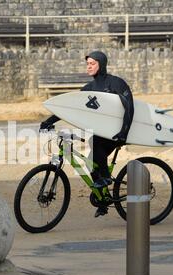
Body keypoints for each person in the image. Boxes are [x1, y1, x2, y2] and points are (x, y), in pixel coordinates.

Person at [40, 51, 134, 218]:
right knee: (91, 162)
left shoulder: (115, 83)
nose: (89, 66)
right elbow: (71, 107)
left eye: (92, 63)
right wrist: (49, 121)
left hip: (117, 132)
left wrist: (124, 132)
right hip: (101, 132)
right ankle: (103, 201)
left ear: (102, 64)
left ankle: (105, 178)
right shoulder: (88, 89)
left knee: (96, 146)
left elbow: (129, 106)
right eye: (88, 64)